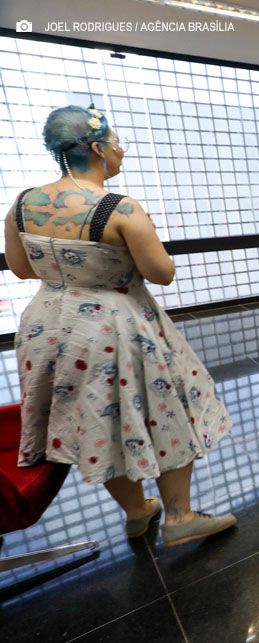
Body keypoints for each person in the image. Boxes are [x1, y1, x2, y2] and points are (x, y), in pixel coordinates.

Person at [5, 104, 236, 546]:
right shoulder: (119, 208)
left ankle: (136, 511)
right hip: (114, 324)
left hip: (47, 326)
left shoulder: (22, 204)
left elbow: (21, 269)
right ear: (96, 149)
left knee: (93, 419)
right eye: (116, 144)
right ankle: (180, 517)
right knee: (163, 411)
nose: (121, 151)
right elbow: (161, 272)